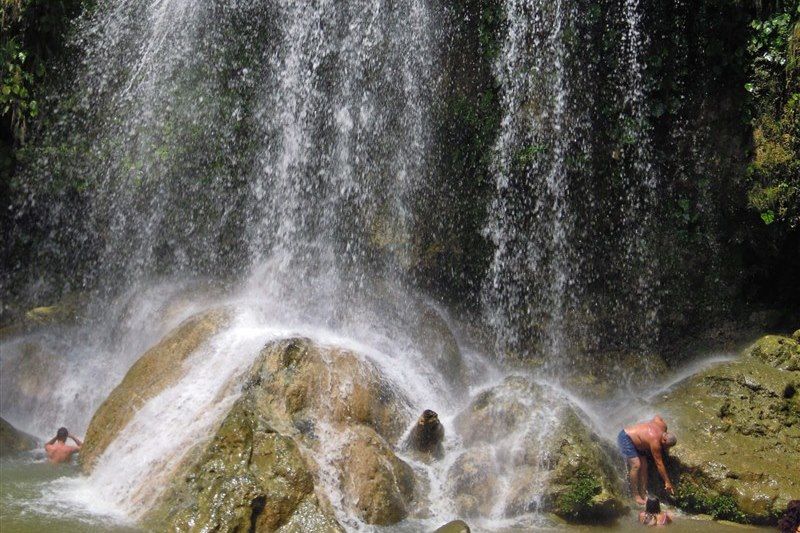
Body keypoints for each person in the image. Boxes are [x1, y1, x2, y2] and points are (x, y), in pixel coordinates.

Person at [617, 415, 677, 504]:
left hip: (639, 444)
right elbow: (659, 464)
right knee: (636, 465)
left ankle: (643, 492)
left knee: (644, 466)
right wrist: (667, 482)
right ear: (664, 439)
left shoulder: (662, 425)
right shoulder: (655, 442)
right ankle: (635, 495)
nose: (664, 448)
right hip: (626, 438)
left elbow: (657, 417)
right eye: (665, 446)